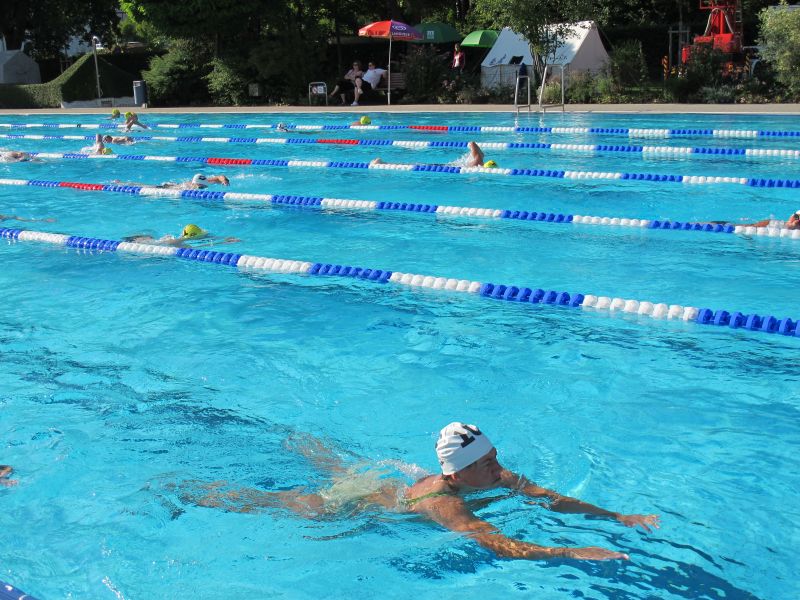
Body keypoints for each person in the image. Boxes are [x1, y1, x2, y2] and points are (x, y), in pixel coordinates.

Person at [180, 422, 659, 562]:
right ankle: (201, 492)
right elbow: (496, 542)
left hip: (391, 482)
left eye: (495, 457)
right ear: (458, 474)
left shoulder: (491, 474)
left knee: (342, 465)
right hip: (363, 503)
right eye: (485, 463)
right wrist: (570, 552)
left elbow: (549, 496)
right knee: (307, 510)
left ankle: (308, 444)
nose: (497, 467)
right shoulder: (445, 504)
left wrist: (617, 516)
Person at [122, 223, 240, 248]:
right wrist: (224, 242)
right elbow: (201, 246)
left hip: (149, 243)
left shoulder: (176, 239)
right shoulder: (181, 244)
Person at [112, 173, 230, 190]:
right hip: (170, 187)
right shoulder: (191, 186)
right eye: (200, 187)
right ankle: (123, 183)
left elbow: (220, 176)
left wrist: (224, 181)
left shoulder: (207, 181)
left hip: (174, 185)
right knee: (149, 187)